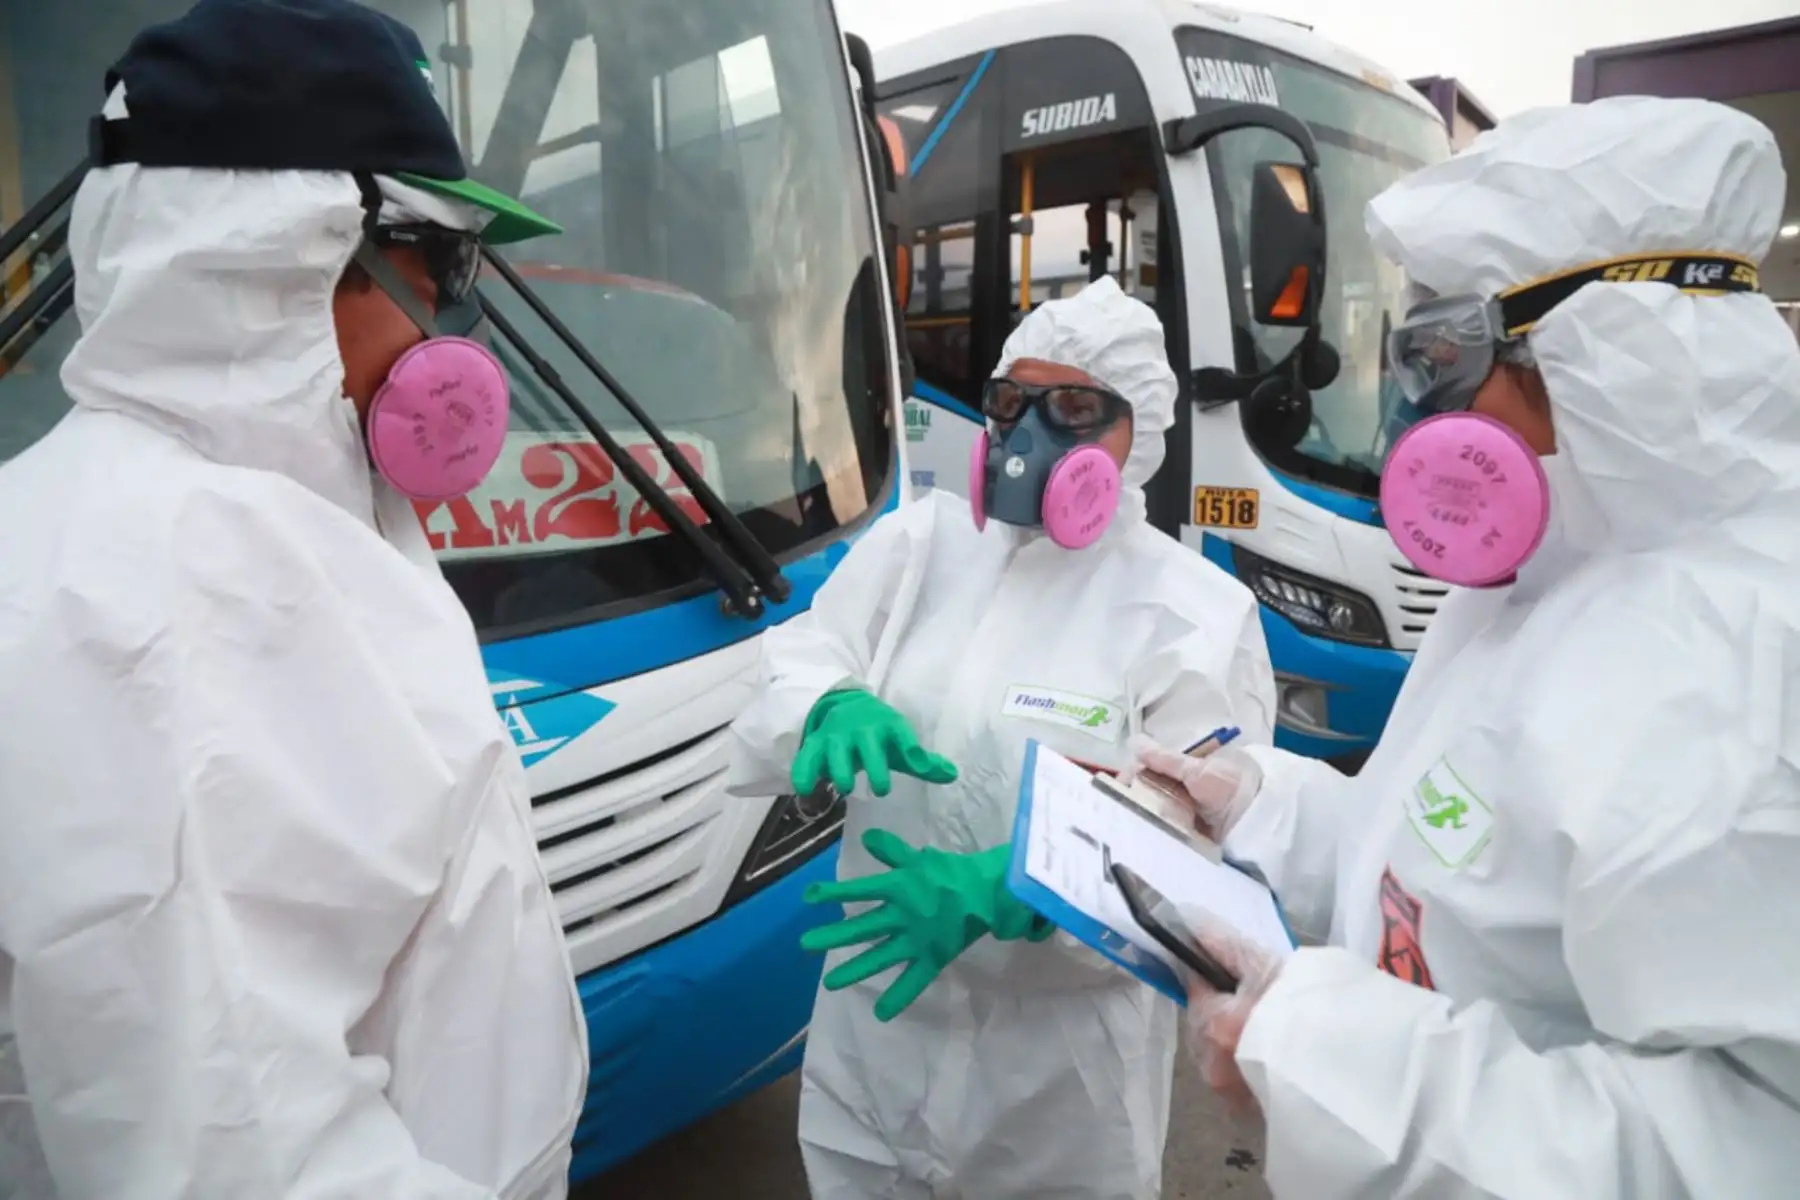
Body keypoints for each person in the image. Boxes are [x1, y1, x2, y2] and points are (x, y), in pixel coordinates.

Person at [1131, 95, 1800, 1197]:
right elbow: (1451, 857)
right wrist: (1259, 807)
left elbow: (1731, 1154)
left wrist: (1311, 1048)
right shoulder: (1539, 583)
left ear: (1603, 357)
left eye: (1440, 357)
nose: (1406, 412)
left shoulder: (1739, 673)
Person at [0, 2, 587, 1196]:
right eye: (444, 266)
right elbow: (237, 1149)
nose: (454, 324)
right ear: (289, 253)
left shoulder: (257, 517)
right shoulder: (148, 604)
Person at [728, 276, 1276, 1199]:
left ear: (1136, 430)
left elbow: (1202, 843)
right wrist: (828, 703)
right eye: (1010, 402)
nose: (1027, 436)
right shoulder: (918, 548)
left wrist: (1030, 883)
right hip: (879, 1031)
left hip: (1059, 1082)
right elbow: (803, 653)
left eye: (1072, 408)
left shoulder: (1192, 613)